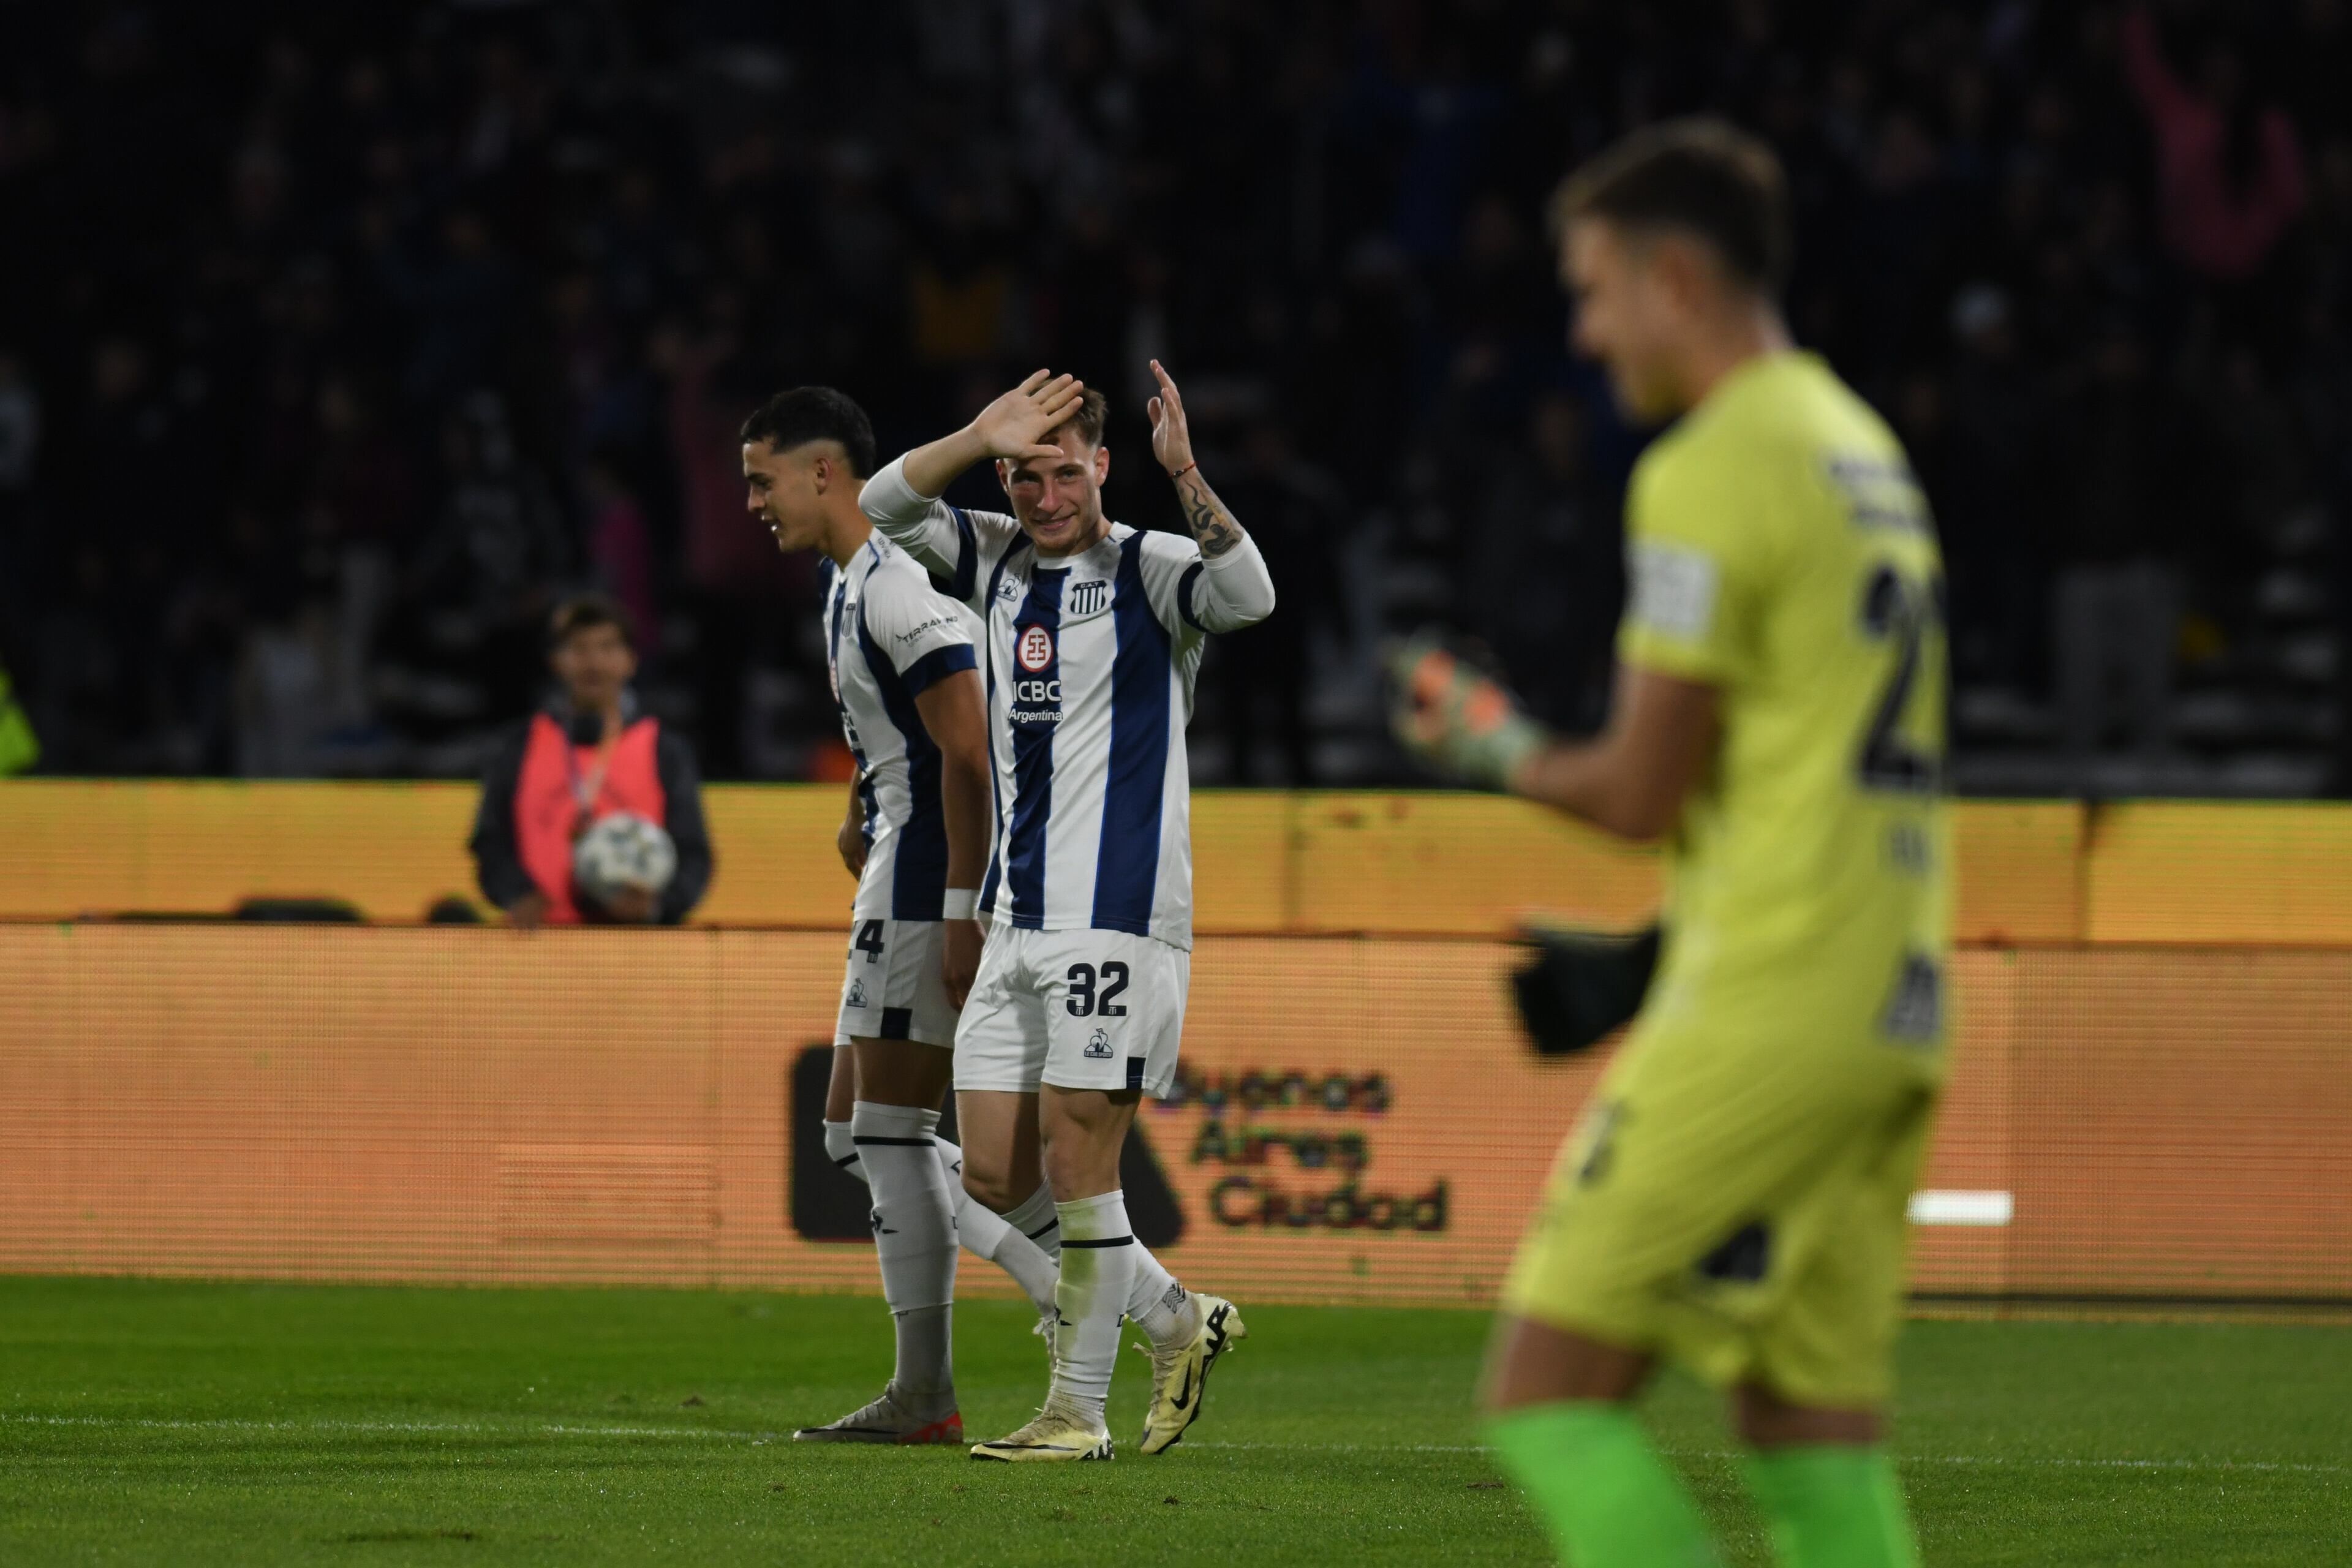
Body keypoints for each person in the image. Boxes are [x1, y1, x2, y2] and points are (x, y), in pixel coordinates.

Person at [1392, 119, 1948, 1567]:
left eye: (1592, 291)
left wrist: (1490, 742)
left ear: (1677, 278)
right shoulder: (1857, 449)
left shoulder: (1710, 464)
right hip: (1886, 999)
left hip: (1769, 1002)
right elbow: (1783, 782)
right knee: (1798, 1418)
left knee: (1545, 1397)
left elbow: (1637, 789)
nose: (1583, 332)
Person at [861, 364, 1275, 1462]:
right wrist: (972, 433)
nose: (1046, 497)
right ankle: (1175, 1318)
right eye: (1025, 475)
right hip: (1017, 918)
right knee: (993, 1173)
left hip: (1119, 916)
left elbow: (1250, 598)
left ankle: (1076, 1412)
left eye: (1064, 471)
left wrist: (1185, 471)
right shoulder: (991, 554)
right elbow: (880, 506)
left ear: (1101, 463)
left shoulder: (1149, 565)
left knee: (1081, 1161)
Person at [737, 386, 1063, 1445]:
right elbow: (903, 739)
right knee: (855, 1132)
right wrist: (856, 808)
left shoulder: (902, 589)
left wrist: (965, 907)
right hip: (897, 866)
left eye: (762, 480)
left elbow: (969, 753)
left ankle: (1090, 1297)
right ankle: (990, 1346)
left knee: (883, 1131)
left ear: (823, 472)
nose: (751, 502)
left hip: (928, 882)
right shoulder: (848, 588)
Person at [470, 595, 712, 927]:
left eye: (608, 648)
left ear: (631, 661)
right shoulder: (517, 747)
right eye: (579, 649)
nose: (594, 663)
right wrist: (518, 894)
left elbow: (694, 854)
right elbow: (490, 843)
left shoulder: (665, 751)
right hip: (539, 947)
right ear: (556, 661)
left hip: (635, 948)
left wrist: (657, 909)